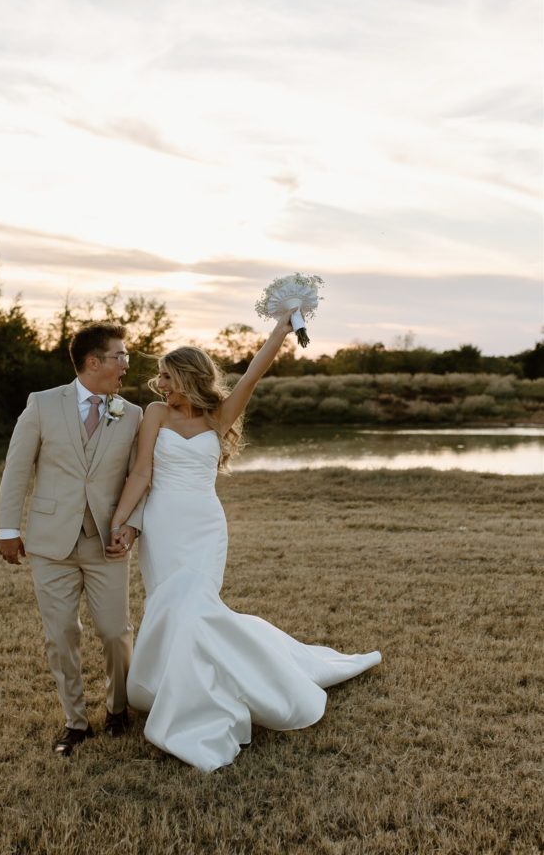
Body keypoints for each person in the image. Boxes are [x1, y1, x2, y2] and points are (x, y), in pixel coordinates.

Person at [106, 311, 381, 772]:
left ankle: (202, 698)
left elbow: (255, 370)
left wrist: (282, 329)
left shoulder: (220, 413)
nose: (160, 384)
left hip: (206, 526)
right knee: (172, 607)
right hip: (165, 525)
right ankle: (180, 690)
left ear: (190, 377)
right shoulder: (155, 414)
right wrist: (120, 522)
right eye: (160, 377)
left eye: (168, 377)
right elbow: (141, 472)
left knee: (198, 608)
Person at [0, 323, 146, 756]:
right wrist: (9, 529)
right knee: (61, 633)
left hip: (107, 543)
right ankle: (75, 722)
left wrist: (130, 527)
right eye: (121, 356)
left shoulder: (132, 414)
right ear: (93, 362)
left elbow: (139, 478)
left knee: (116, 632)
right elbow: (17, 468)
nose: (126, 364)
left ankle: (119, 710)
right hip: (50, 543)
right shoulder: (42, 405)